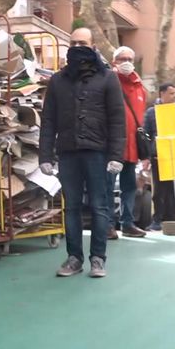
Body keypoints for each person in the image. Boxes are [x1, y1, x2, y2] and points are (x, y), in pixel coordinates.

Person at [39, 27, 126, 278]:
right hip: (68, 152)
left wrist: (116, 156)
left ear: (93, 45)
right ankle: (74, 258)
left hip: (98, 153)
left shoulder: (108, 78)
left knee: (100, 206)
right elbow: (48, 120)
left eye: (83, 43)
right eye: (74, 43)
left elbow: (117, 120)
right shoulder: (58, 80)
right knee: (72, 207)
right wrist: (45, 156)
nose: (78, 47)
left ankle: (98, 259)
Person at [106, 46, 148, 238]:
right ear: (114, 61)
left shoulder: (139, 86)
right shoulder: (108, 81)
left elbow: (141, 118)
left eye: (130, 58)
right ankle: (107, 225)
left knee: (129, 187)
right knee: (106, 186)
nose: (126, 62)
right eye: (122, 58)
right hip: (111, 146)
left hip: (132, 147)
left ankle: (127, 223)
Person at [143, 83, 175, 231]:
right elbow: (145, 135)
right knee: (158, 190)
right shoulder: (152, 113)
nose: (174, 96)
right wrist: (147, 155)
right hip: (159, 157)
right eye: (171, 93)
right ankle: (157, 219)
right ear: (162, 94)